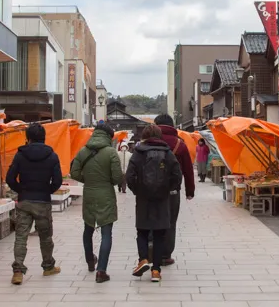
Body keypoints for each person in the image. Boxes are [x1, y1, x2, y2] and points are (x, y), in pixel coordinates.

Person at [6, 122, 62, 285]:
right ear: (44, 137)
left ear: (28, 138)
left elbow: (10, 178)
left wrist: (21, 190)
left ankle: (18, 271)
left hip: (24, 201)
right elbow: (57, 180)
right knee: (45, 237)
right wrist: (47, 190)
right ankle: (48, 266)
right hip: (43, 201)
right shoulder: (52, 156)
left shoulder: (20, 155)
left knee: (21, 236)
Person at [125, 124, 181, 282]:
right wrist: (167, 189)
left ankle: (143, 259)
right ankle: (156, 271)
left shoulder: (138, 152)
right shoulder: (168, 153)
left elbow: (129, 176)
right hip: (162, 199)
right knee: (159, 235)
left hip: (143, 199)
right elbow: (177, 175)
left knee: (142, 231)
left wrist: (137, 190)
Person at [70, 123, 123, 283]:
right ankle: (102, 271)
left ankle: (90, 261)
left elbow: (74, 172)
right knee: (106, 233)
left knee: (88, 229)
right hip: (105, 194)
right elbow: (117, 178)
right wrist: (106, 181)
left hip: (89, 192)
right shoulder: (111, 152)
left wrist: (87, 180)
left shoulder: (83, 151)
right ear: (108, 136)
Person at [153, 114, 194, 267]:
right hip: (172, 191)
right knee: (170, 222)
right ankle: (165, 255)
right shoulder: (180, 145)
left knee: (152, 218)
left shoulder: (146, 143)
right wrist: (190, 191)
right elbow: (188, 170)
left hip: (150, 191)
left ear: (156, 126)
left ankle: (152, 250)